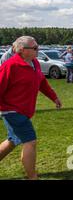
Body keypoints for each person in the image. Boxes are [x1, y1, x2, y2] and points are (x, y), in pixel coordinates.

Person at [0, 36, 62, 180]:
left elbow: (41, 82)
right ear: (22, 50)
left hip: (24, 111)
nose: (38, 50)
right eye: (34, 48)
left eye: (37, 46)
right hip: (12, 111)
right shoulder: (10, 66)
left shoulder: (34, 63)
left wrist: (54, 97)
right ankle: (32, 176)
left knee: (12, 141)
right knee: (30, 141)